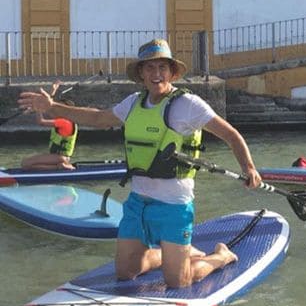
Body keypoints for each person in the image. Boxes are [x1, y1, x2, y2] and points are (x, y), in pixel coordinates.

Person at [18, 39, 262, 288]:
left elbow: (231, 135)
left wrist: (249, 168)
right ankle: (174, 254)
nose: (156, 74)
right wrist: (52, 107)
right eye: (149, 68)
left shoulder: (188, 105)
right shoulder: (133, 102)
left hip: (173, 205)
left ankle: (220, 257)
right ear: (141, 74)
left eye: (162, 68)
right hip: (138, 203)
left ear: (171, 72)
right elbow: (98, 118)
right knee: (125, 272)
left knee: (178, 282)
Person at [21, 81, 78, 171]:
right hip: (57, 157)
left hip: (60, 157)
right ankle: (60, 166)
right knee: (26, 164)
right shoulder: (63, 119)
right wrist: (52, 92)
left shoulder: (64, 122)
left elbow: (41, 122)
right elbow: (49, 105)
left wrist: (37, 108)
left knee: (25, 164)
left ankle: (59, 167)